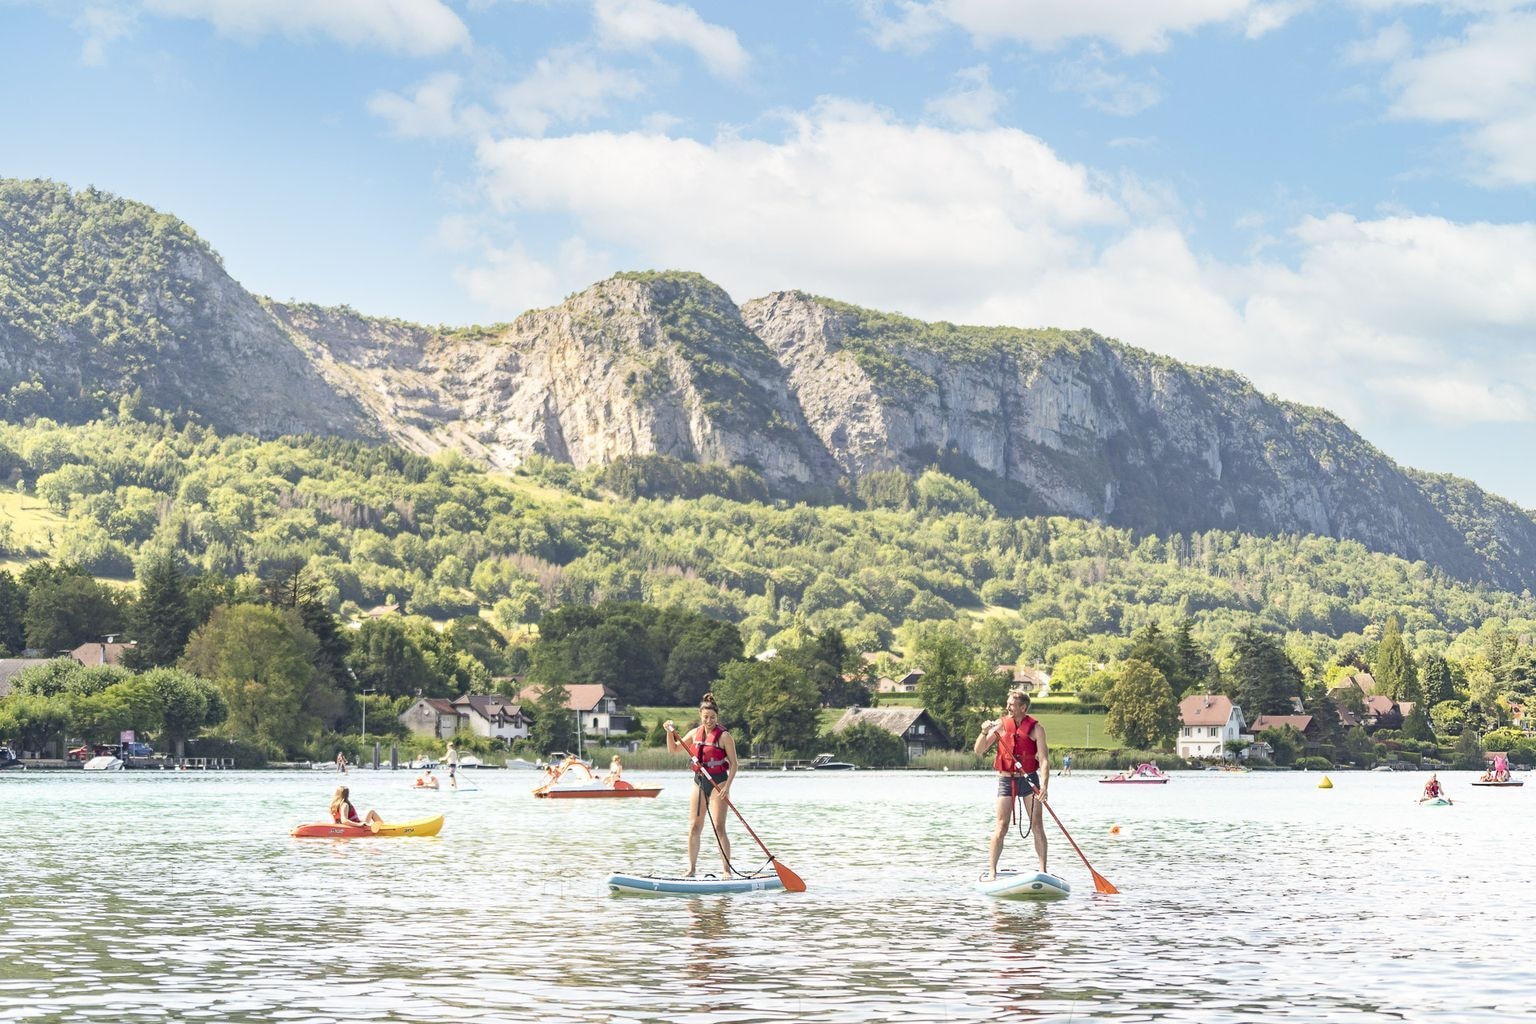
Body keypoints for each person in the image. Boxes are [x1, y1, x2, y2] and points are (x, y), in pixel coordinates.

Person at [975, 688, 1049, 879]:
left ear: (1023, 707)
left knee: (1037, 825)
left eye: (1012, 705)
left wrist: (1045, 786)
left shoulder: (1036, 729)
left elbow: (1044, 760)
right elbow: (979, 750)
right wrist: (984, 732)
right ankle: (992, 871)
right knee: (1001, 826)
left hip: (1030, 780)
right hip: (1006, 780)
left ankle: (1042, 870)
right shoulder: (1000, 726)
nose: (1008, 707)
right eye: (1007, 704)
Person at [665, 692, 738, 878]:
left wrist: (727, 787)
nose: (709, 720)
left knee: (719, 827)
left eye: (712, 717)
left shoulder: (724, 736)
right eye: (706, 717)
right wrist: (669, 733)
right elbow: (673, 749)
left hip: (719, 782)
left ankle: (726, 870)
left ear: (717, 717)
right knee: (694, 827)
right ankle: (691, 869)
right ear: (700, 716)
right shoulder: (693, 733)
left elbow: (735, 764)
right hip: (699, 781)